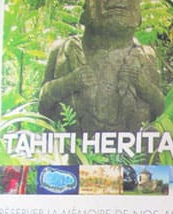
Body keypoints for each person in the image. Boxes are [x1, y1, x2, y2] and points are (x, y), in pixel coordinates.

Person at [38, 0, 165, 134]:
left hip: (130, 148)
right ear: (85, 13)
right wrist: (68, 83)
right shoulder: (63, 51)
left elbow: (158, 108)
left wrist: (143, 85)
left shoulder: (145, 56)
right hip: (71, 148)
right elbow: (43, 105)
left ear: (138, 16)